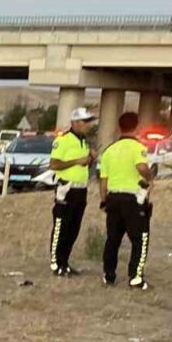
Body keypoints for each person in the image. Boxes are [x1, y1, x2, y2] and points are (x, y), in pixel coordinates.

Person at [98, 112, 154, 289]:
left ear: (119, 127)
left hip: (113, 197)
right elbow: (141, 167)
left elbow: (103, 180)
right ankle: (135, 278)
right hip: (133, 199)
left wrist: (103, 200)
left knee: (112, 239)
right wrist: (150, 176)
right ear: (137, 127)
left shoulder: (109, 150)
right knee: (140, 239)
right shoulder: (137, 148)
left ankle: (108, 275)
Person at [48, 107, 98, 276]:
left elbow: (84, 164)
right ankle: (56, 264)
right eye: (85, 122)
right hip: (66, 189)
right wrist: (77, 160)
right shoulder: (63, 140)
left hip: (81, 189)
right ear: (75, 122)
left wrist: (91, 159)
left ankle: (65, 262)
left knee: (73, 228)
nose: (87, 126)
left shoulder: (84, 141)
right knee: (61, 226)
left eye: (88, 122)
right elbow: (54, 164)